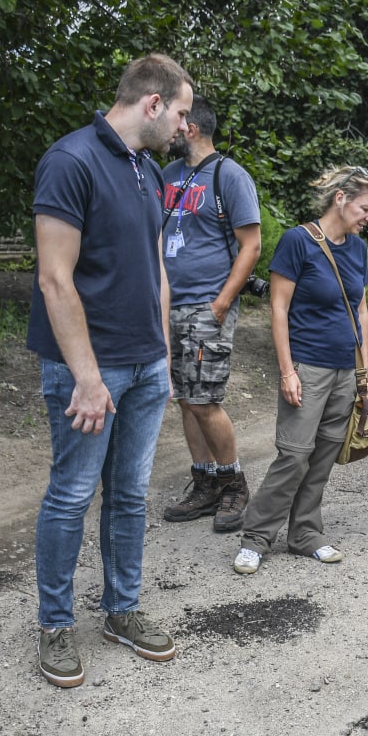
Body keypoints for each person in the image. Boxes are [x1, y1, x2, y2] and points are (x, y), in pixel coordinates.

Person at [27, 54, 193, 688]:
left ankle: (121, 611)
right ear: (152, 104)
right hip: (88, 371)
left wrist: (164, 358)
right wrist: (88, 379)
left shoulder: (147, 171)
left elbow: (156, 270)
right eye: (180, 113)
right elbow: (53, 277)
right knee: (71, 495)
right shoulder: (71, 161)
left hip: (146, 365)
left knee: (129, 496)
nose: (185, 125)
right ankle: (55, 625)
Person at [232, 165, 368, 575]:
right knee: (294, 455)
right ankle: (256, 537)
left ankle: (304, 534)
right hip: (307, 366)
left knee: (322, 456)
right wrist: (287, 371)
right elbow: (277, 308)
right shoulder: (298, 242)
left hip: (345, 371)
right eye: (365, 208)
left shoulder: (357, 249)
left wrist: (363, 371)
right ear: (341, 199)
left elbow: (361, 310)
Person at [159, 95, 262, 532]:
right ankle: (205, 483)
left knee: (205, 400)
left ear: (192, 129)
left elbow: (251, 245)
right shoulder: (166, 175)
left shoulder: (229, 176)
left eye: (177, 122)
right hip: (169, 304)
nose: (170, 129)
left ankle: (234, 483)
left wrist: (221, 303)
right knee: (186, 398)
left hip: (207, 304)